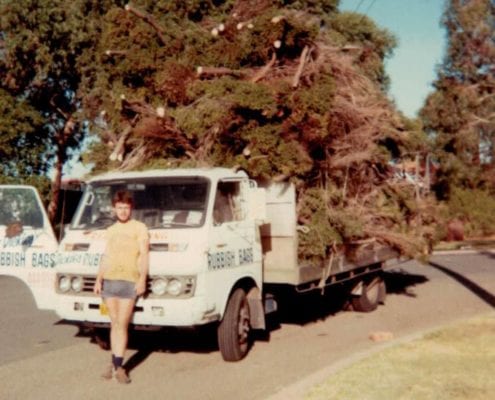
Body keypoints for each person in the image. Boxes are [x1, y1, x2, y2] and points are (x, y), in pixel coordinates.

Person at [93, 190, 149, 384]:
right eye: (119, 207)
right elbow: (105, 256)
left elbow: (144, 255)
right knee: (114, 323)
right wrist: (99, 279)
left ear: (131, 208)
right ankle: (116, 363)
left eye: (126, 207)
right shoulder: (110, 230)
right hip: (110, 281)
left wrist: (142, 279)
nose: (123, 211)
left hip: (129, 282)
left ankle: (119, 366)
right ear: (114, 208)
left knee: (122, 324)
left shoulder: (140, 228)